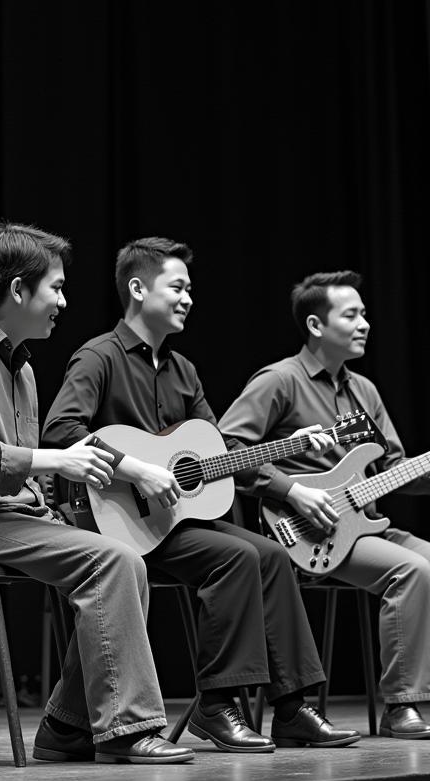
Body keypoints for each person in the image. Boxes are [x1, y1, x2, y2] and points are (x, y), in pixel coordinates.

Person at [41, 237, 360, 752]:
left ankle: (294, 705)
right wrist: (136, 469)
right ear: (139, 288)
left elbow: (221, 449)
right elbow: (60, 432)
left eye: (191, 288)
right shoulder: (98, 357)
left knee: (273, 555)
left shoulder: (183, 370)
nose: (189, 297)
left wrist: (291, 446)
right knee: (235, 559)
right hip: (118, 523)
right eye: (178, 286)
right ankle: (217, 705)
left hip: (176, 523)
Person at [0, 222, 193, 764]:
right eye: (55, 287)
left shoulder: (24, 368)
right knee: (109, 564)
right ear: (18, 290)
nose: (63, 300)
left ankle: (66, 724)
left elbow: (25, 478)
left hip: (8, 519)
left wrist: (53, 504)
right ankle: (127, 730)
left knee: (126, 557)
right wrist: (56, 460)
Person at [218, 270, 430, 739]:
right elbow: (227, 450)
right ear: (316, 325)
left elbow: (395, 468)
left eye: (365, 314)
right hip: (310, 532)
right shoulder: (279, 380)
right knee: (409, 571)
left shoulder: (365, 391)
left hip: (367, 525)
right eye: (352, 314)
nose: (365, 324)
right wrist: (291, 490)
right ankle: (406, 705)